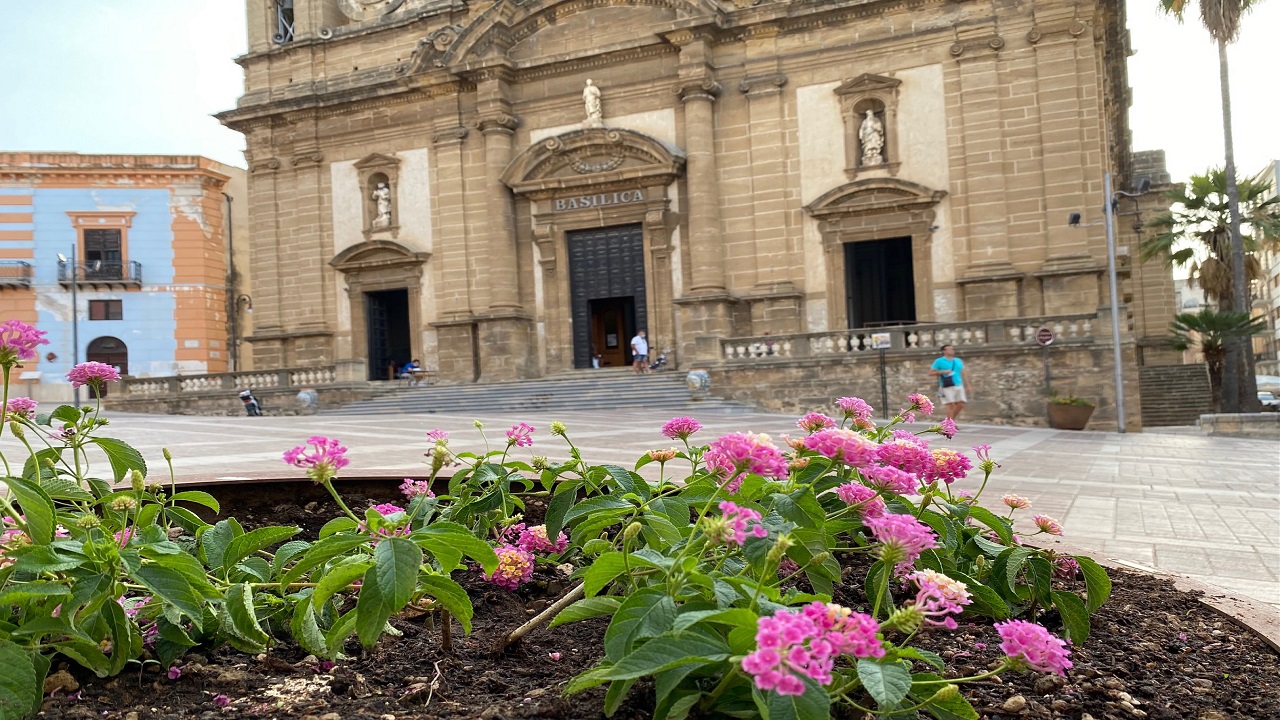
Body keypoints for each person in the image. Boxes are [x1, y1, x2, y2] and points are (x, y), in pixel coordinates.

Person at [930, 344, 970, 421]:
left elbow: (963, 372)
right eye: (949, 349)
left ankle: (950, 420)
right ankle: (949, 423)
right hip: (946, 385)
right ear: (944, 351)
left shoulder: (958, 360)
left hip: (958, 384)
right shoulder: (939, 361)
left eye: (952, 349)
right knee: (951, 405)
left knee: (961, 403)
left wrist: (968, 385)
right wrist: (942, 372)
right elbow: (931, 373)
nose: (952, 350)